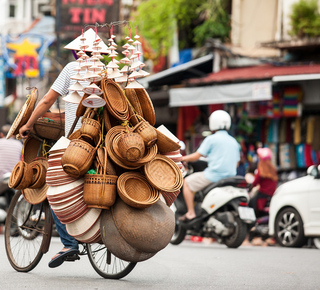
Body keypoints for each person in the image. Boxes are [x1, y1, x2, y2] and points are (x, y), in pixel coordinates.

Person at [18, 30, 107, 268]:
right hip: (106, 142)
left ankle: (69, 243)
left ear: (79, 51)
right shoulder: (108, 72)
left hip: (76, 143)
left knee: (53, 186)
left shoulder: (72, 69)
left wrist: (27, 124)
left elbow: (47, 100)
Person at [179, 110, 240, 222]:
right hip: (231, 177)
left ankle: (191, 212)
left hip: (214, 176)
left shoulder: (211, 139)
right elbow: (236, 163)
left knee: (186, 182)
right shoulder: (234, 142)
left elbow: (196, 156)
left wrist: (182, 158)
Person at [248, 147, 278, 218]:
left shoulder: (261, 169)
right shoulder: (273, 169)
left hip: (262, 197)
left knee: (250, 203)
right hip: (271, 195)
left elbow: (255, 183)